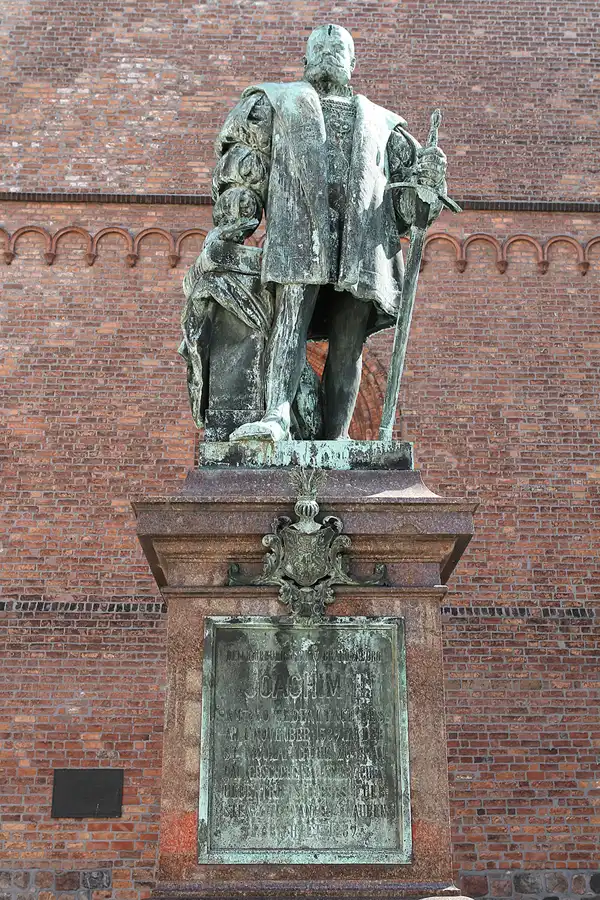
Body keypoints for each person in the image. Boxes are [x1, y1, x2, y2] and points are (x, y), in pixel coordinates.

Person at [184, 24, 448, 442]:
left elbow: (408, 210)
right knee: (290, 322)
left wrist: (427, 185)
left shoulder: (385, 124)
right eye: (320, 47)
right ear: (305, 59)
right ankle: (277, 415)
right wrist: (235, 222)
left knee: (349, 340)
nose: (328, 52)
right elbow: (246, 169)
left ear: (353, 63)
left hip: (362, 244)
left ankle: (337, 436)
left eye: (338, 48)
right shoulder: (275, 101)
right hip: (298, 234)